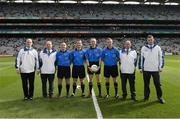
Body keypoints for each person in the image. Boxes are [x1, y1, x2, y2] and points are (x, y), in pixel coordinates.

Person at [139, 35, 165, 104]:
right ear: (147, 40)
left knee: (158, 84)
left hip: (155, 70)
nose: (150, 41)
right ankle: (146, 97)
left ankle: (160, 97)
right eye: (149, 40)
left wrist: (160, 67)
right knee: (146, 84)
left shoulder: (158, 47)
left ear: (153, 40)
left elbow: (161, 57)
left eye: (151, 40)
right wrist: (141, 68)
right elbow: (141, 58)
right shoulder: (143, 48)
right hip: (146, 70)